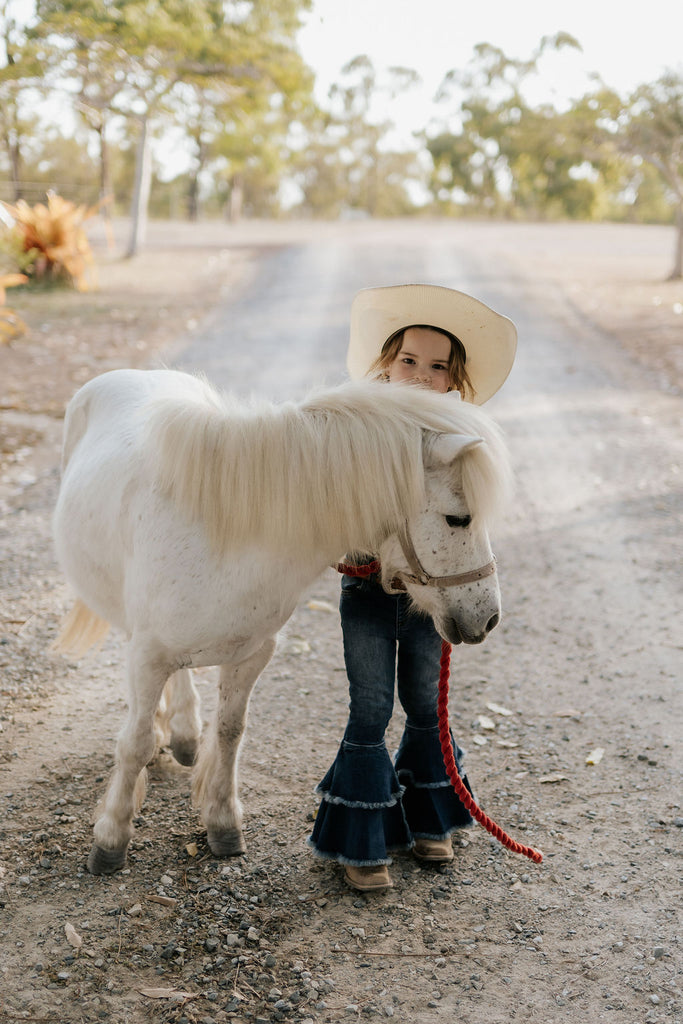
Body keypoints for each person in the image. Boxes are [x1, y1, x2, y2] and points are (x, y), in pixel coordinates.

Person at [308, 284, 517, 892]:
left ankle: (430, 819)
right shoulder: (359, 433)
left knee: (425, 706)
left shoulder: (461, 440)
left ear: (454, 382)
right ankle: (363, 840)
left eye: (436, 367)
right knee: (370, 707)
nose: (420, 376)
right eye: (408, 361)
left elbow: (464, 523)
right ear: (384, 365)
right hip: (370, 593)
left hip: (429, 599)